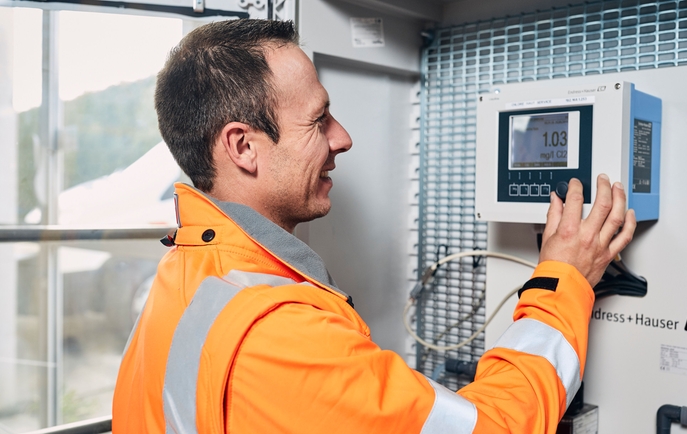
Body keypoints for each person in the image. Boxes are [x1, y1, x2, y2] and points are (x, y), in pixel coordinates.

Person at [113, 18, 636, 433]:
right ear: (243, 146)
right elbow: (496, 428)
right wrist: (561, 278)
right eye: (319, 121)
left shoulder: (182, 276)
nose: (342, 138)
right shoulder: (279, 334)